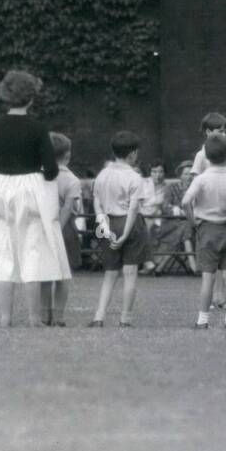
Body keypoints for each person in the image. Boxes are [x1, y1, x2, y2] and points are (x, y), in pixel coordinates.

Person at [0, 69, 69, 327]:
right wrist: (32, 173)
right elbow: (51, 170)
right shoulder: (38, 128)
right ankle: (33, 318)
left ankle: (4, 318)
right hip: (31, 190)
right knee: (32, 252)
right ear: (31, 98)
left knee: (4, 252)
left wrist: (5, 172)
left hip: (1, 190)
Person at [89, 130, 152, 327]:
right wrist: (125, 234)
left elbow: (97, 202)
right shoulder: (134, 177)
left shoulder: (102, 174)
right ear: (133, 154)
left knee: (110, 272)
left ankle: (99, 317)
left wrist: (104, 225)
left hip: (108, 222)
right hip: (129, 224)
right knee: (130, 272)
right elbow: (134, 208)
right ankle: (125, 318)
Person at [187, 133, 226, 328]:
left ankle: (202, 320)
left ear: (206, 156)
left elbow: (185, 201)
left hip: (207, 228)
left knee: (208, 277)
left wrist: (193, 221)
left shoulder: (201, 179)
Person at [43, 132, 82, 326]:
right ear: (68, 155)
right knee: (64, 275)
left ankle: (44, 315)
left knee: (44, 274)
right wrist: (58, 226)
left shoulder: (41, 175)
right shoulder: (72, 180)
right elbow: (69, 206)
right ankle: (58, 317)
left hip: (43, 225)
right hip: (65, 228)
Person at [188, 113, 226, 182]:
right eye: (221, 131)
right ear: (208, 132)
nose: (224, 135)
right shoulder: (200, 155)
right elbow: (196, 181)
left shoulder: (224, 155)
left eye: (225, 132)